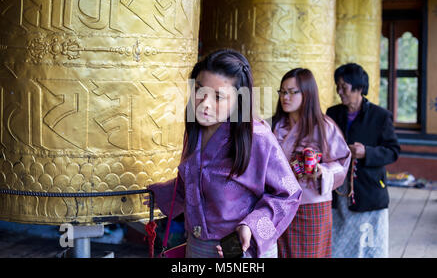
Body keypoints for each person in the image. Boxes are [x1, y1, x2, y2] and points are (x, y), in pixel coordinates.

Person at [148, 49, 302, 258]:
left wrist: (252, 227)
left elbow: (289, 193)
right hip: (197, 247)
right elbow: (193, 184)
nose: (205, 104)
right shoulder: (196, 130)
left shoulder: (257, 136)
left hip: (238, 249)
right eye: (200, 91)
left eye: (218, 97)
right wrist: (158, 194)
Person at [272, 68, 351, 258]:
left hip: (311, 207)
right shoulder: (275, 126)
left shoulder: (324, 126)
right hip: (278, 205)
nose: (286, 97)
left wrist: (322, 171)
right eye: (282, 91)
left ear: (307, 93)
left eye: (292, 92)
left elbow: (342, 160)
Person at [326, 63, 400, 258]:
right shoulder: (333, 114)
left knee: (369, 247)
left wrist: (366, 152)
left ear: (359, 88)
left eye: (344, 86)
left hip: (369, 191)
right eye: (337, 86)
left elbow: (393, 151)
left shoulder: (380, 116)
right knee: (338, 243)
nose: (339, 91)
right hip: (341, 192)